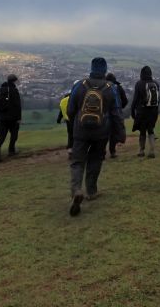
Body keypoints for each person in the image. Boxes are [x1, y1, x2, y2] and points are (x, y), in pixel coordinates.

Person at [67, 57, 126, 216]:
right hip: (101, 131)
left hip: (80, 131)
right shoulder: (111, 88)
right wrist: (121, 134)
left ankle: (76, 190)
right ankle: (91, 191)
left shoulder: (80, 85)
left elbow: (70, 110)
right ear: (105, 70)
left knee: (78, 162)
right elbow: (117, 113)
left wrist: (76, 122)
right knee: (95, 160)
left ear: (91, 68)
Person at [130, 65, 160, 158]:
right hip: (153, 112)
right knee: (151, 130)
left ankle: (141, 150)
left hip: (142, 112)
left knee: (142, 131)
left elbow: (135, 99)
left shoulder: (139, 84)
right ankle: (152, 150)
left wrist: (132, 111)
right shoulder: (156, 83)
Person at [0, 73, 22, 163]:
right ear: (14, 81)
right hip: (13, 118)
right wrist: (19, 118)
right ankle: (11, 150)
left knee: (1, 135)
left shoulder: (0, 90)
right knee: (14, 134)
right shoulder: (14, 91)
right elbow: (18, 105)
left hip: (3, 117)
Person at [105, 72, 128, 158]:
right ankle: (112, 152)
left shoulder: (103, 87)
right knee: (113, 133)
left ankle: (102, 153)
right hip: (116, 113)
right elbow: (125, 100)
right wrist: (119, 108)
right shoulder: (118, 87)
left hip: (105, 113)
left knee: (104, 133)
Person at [56, 91, 73, 157]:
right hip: (74, 119)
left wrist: (58, 120)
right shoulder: (72, 99)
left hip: (67, 120)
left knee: (70, 135)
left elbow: (61, 112)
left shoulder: (62, 101)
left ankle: (70, 149)